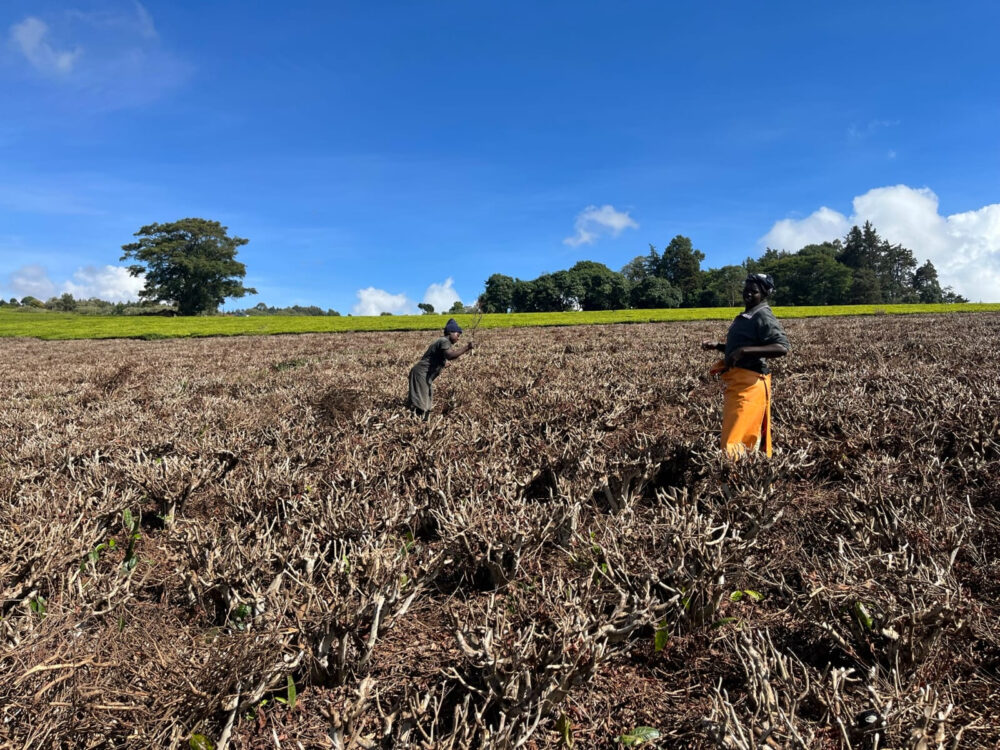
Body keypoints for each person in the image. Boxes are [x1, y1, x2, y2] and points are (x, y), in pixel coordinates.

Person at [701, 273, 790, 458]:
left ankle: (735, 472)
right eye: (746, 289)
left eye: (754, 291)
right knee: (737, 435)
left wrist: (743, 351)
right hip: (740, 381)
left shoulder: (763, 315)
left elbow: (782, 347)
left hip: (750, 384)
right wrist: (718, 346)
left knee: (737, 438)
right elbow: (740, 346)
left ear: (764, 294)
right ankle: (739, 470)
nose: (748, 294)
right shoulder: (749, 315)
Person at [408, 318, 474, 420]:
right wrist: (467, 348)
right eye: (458, 335)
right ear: (450, 332)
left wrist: (442, 364)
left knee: (427, 398)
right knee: (421, 402)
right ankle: (418, 422)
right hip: (421, 374)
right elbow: (450, 355)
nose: (458, 338)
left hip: (425, 375)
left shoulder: (442, 341)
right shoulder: (444, 341)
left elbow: (433, 358)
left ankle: (423, 422)